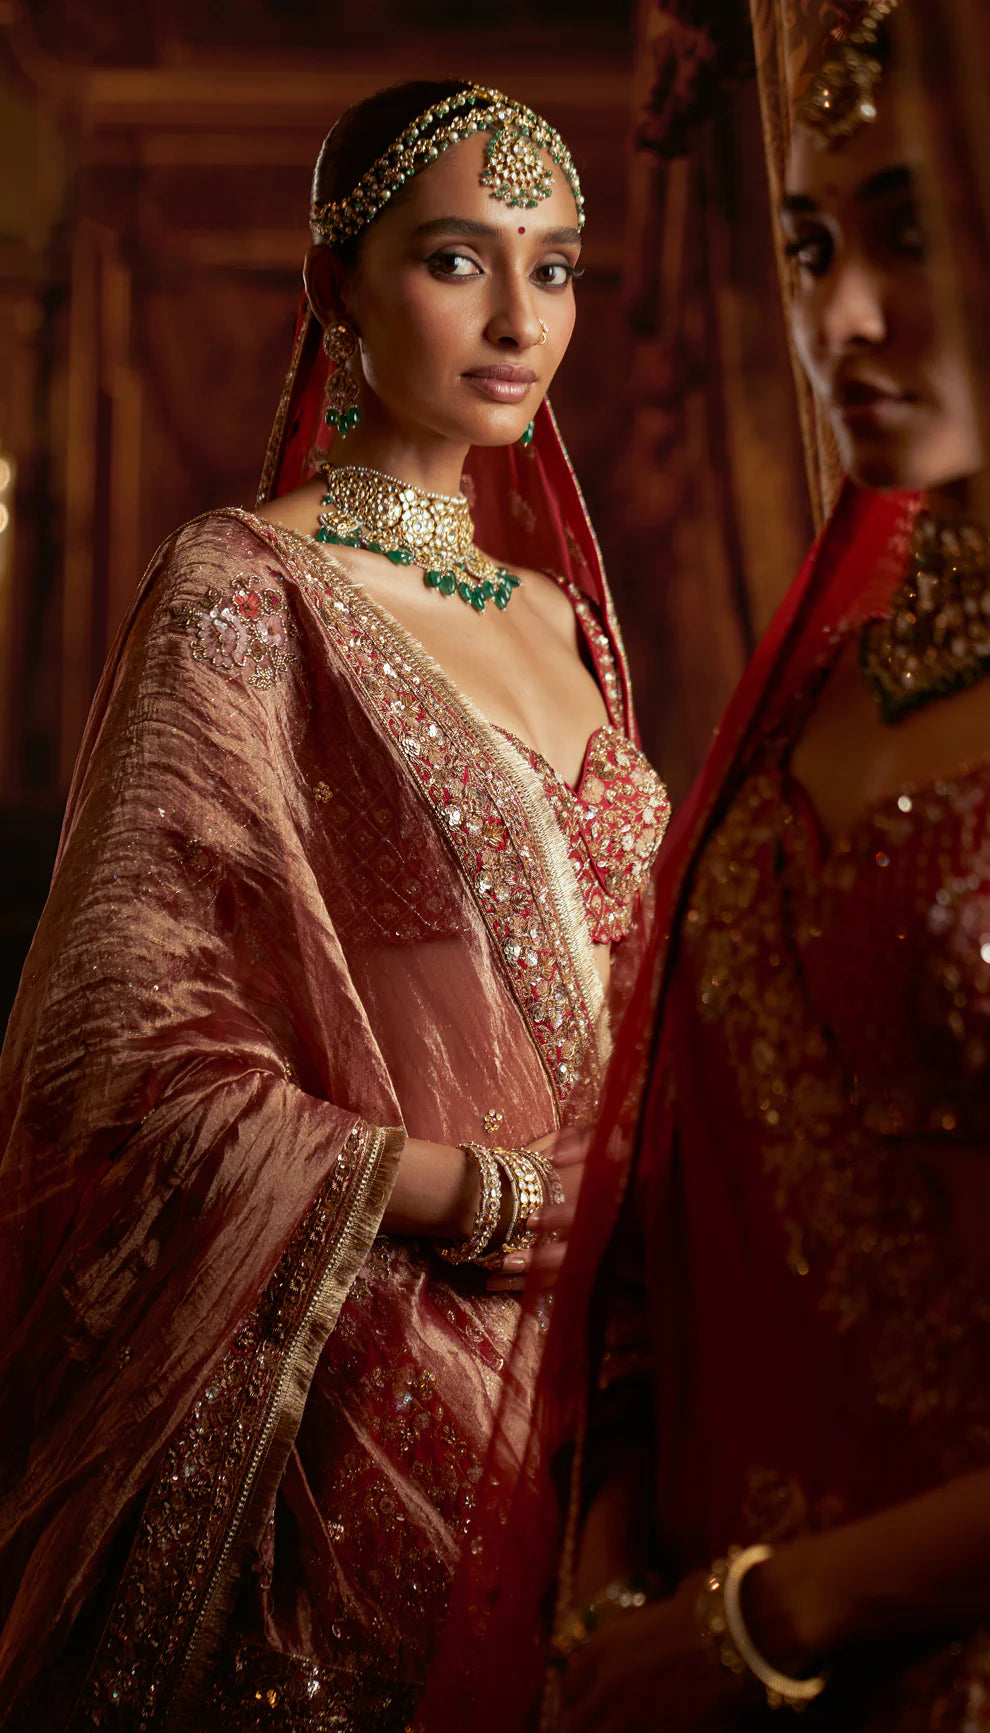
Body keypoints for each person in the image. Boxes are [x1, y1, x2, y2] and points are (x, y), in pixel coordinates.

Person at [0, 80, 668, 1732]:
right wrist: (498, 1202)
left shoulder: (567, 619)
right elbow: (118, 1057)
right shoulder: (245, 590)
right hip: (380, 1401)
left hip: (633, 1379)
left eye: (559, 265)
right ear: (334, 287)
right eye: (459, 260)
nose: (522, 320)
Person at [430, 7, 990, 1730]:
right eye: (812, 244)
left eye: (910, 228)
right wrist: (613, 1581)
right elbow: (671, 1195)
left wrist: (766, 1622)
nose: (841, 318)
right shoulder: (815, 675)